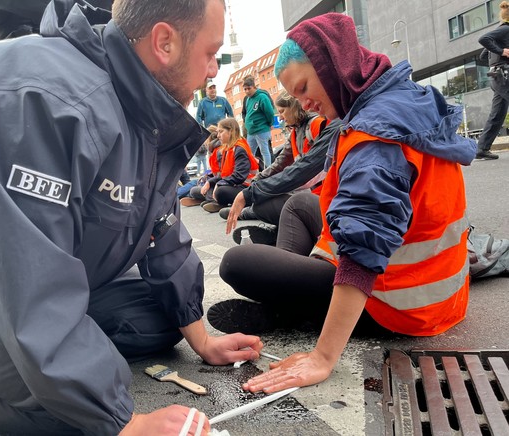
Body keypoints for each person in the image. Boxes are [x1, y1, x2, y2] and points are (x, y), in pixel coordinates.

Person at [0, 0, 263, 435]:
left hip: (14, 275)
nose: (215, 69)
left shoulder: (140, 104)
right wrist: (123, 421)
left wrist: (202, 338)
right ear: (164, 42)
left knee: (161, 322)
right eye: (211, 52)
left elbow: (160, 223)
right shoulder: (43, 99)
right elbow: (27, 270)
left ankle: (40, 356)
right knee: (70, 411)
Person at [210, 13, 476, 396]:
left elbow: (363, 253)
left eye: (303, 88)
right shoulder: (395, 100)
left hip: (397, 302)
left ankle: (287, 305)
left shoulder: (372, 137)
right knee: (301, 204)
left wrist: (323, 356)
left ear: (331, 63)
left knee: (237, 262)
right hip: (433, 289)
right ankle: (291, 291)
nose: (305, 103)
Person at [219, 91, 340, 244]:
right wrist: (257, 182)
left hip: (322, 200)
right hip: (312, 196)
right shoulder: (295, 133)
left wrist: (253, 190)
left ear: (295, 107)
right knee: (259, 196)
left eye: (282, 111)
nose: (280, 117)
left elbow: (301, 173)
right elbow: (280, 164)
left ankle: (269, 226)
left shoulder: (318, 125)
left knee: (266, 200)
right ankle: (281, 229)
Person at [193, 118, 259, 213]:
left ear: (231, 131)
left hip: (246, 187)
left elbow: (239, 176)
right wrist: (211, 182)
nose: (218, 136)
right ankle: (217, 201)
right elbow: (224, 175)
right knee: (208, 188)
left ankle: (226, 202)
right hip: (236, 184)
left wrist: (219, 184)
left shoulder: (239, 149)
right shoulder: (228, 149)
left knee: (221, 191)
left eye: (221, 132)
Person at [475, 2, 509, 160]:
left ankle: (482, 148)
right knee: (497, 114)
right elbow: (483, 39)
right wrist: (502, 51)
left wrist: (496, 57)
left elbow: (483, 56)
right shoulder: (506, 29)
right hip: (504, 76)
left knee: (497, 114)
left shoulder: (500, 32)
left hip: (497, 77)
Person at [243, 76, 275, 168]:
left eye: (249, 88)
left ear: (254, 87)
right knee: (249, 153)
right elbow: (247, 112)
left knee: (264, 151)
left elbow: (269, 112)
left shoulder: (262, 97)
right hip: (251, 131)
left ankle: (267, 170)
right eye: (245, 89)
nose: (247, 91)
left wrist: (270, 123)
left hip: (261, 129)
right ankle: (250, 170)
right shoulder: (248, 99)